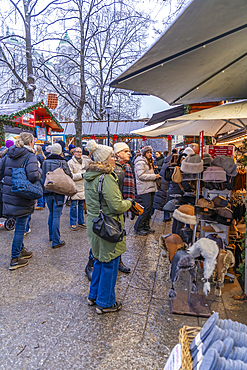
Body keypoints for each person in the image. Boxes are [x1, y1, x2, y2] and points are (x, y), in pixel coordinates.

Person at [84, 140, 133, 314]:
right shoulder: (107, 178)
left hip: (94, 223)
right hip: (108, 224)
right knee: (110, 263)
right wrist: (130, 203)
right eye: (112, 156)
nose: (114, 158)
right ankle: (105, 302)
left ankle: (93, 295)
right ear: (104, 160)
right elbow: (116, 206)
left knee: (99, 259)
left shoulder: (90, 175)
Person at [0, 132, 42, 270]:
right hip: (22, 196)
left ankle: (21, 249)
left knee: (19, 224)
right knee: (21, 227)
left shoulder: (7, 153)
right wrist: (40, 169)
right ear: (30, 143)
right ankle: (15, 258)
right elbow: (34, 176)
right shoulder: (29, 155)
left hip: (9, 195)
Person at [42, 143, 72, 248]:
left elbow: (42, 176)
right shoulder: (62, 161)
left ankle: (51, 235)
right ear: (60, 151)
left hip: (47, 191)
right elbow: (69, 175)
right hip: (58, 192)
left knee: (51, 213)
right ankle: (56, 241)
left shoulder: (45, 161)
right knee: (56, 216)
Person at [134, 146, 161, 236]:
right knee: (146, 208)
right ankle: (138, 227)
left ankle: (146, 226)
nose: (150, 154)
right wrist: (154, 176)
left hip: (150, 187)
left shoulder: (149, 161)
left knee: (149, 209)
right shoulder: (140, 162)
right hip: (144, 188)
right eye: (148, 152)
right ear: (144, 153)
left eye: (150, 152)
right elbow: (141, 175)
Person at [68, 147, 90, 230]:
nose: (79, 153)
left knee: (81, 205)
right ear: (74, 153)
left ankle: (81, 221)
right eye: (77, 152)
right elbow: (70, 175)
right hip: (75, 187)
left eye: (80, 152)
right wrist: (81, 175)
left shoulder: (84, 161)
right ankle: (73, 222)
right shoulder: (70, 162)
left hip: (83, 186)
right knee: (73, 205)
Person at [35, 145, 46, 210]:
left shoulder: (37, 157)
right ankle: (43, 203)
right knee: (43, 189)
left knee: (39, 189)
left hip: (40, 174)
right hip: (43, 174)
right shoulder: (43, 156)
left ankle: (40, 204)